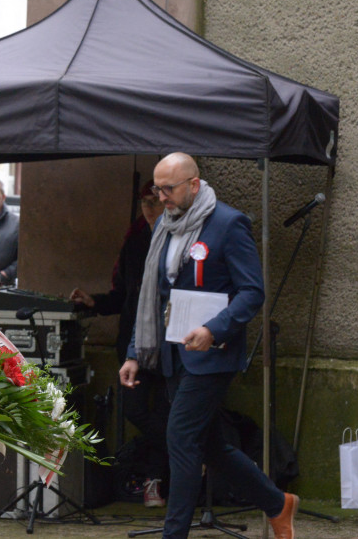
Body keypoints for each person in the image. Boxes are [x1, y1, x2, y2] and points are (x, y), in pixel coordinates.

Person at [119, 153, 297, 539]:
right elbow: (152, 298)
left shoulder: (229, 223)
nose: (161, 197)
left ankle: (174, 533)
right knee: (212, 446)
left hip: (212, 356)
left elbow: (252, 292)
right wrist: (134, 353)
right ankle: (277, 503)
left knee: (181, 438)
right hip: (173, 353)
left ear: (194, 184)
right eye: (157, 189)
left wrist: (214, 330)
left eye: (168, 189)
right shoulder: (164, 224)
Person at [70, 182, 169, 507]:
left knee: (166, 411)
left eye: (156, 201)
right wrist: (94, 302)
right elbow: (124, 295)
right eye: (145, 202)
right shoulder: (135, 240)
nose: (150, 208)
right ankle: (191, 451)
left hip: (169, 343)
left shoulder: (177, 238)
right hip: (133, 344)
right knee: (136, 410)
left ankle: (156, 479)